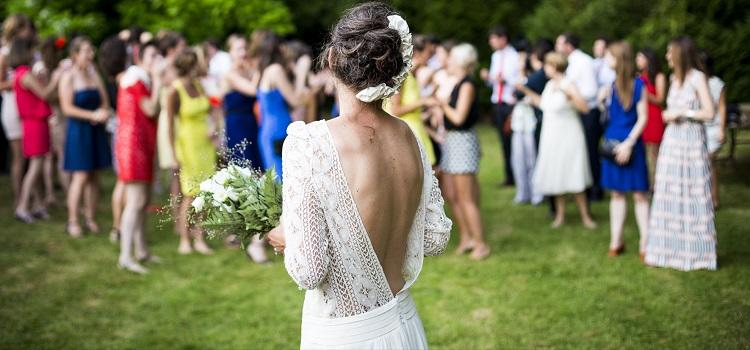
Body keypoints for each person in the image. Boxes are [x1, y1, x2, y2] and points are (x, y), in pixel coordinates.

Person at [266, 4, 451, 348]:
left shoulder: (309, 144)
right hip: (405, 326)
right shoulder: (409, 137)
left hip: (346, 335)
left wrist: (287, 234)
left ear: (333, 59)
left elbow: (309, 271)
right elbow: (435, 238)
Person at [645, 37, 717, 271]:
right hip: (672, 142)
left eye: (669, 52)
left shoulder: (697, 78)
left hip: (691, 141)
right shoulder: (673, 80)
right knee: (668, 192)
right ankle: (667, 250)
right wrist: (668, 115)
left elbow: (709, 112)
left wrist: (684, 113)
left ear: (679, 53)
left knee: (693, 193)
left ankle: (697, 253)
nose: (666, 56)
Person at [432, 43, 489, 260]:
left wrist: (443, 104)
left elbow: (458, 118)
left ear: (462, 63)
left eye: (453, 59)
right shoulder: (457, 83)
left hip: (463, 142)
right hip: (452, 142)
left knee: (466, 198)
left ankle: (481, 243)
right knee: (454, 195)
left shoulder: (467, 86)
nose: (449, 62)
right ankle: (467, 238)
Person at [530, 52, 596, 229]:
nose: (544, 68)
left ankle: (585, 216)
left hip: (569, 134)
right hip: (551, 134)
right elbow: (545, 105)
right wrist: (525, 92)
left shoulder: (568, 84)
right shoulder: (550, 84)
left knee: (574, 172)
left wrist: (569, 95)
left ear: (554, 66)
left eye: (547, 65)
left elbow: (584, 107)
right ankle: (560, 216)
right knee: (556, 173)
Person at [598, 42, 649, 258]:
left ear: (619, 60)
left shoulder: (639, 85)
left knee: (640, 195)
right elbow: (607, 115)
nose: (605, 60)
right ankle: (615, 241)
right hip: (612, 142)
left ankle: (646, 244)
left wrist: (628, 143)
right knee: (616, 194)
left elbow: (643, 117)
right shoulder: (609, 86)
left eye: (609, 56)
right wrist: (601, 102)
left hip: (631, 143)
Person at [115, 40, 162, 274]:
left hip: (141, 143)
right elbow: (151, 109)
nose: (157, 60)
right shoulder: (137, 78)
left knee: (142, 201)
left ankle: (141, 250)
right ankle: (125, 255)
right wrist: (161, 81)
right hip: (133, 145)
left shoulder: (139, 78)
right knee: (134, 201)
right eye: (152, 55)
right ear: (140, 58)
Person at [59, 37, 111, 237]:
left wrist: (103, 112)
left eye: (91, 51)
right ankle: (73, 220)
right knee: (80, 176)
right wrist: (92, 115)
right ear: (75, 54)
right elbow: (66, 108)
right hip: (79, 131)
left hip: (96, 130)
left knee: (94, 176)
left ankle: (90, 217)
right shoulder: (68, 77)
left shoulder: (94, 74)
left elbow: (105, 100)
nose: (91, 55)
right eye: (87, 51)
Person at [167, 48, 216, 255]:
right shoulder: (175, 90)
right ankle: (184, 238)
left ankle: (199, 236)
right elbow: (170, 125)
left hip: (204, 144)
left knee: (205, 193)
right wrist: (173, 153)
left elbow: (210, 109)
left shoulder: (199, 85)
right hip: (187, 145)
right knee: (189, 193)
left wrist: (213, 126)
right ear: (190, 66)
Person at [10, 38, 63, 222]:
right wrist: (55, 79)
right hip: (34, 123)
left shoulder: (21, 73)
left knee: (36, 165)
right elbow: (45, 93)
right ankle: (23, 206)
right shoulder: (25, 74)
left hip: (34, 122)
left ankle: (36, 205)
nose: (35, 53)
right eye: (33, 49)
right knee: (35, 166)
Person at [556, 32, 602, 201]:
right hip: (576, 112)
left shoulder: (583, 61)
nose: (557, 48)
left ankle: (595, 190)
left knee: (590, 151)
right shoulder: (571, 62)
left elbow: (591, 91)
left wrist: (571, 95)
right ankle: (583, 188)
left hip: (588, 112)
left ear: (568, 46)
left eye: (559, 44)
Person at [257, 32, 309, 180]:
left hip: (270, 129)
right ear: (280, 47)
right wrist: (301, 73)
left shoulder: (266, 70)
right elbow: (296, 101)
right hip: (278, 131)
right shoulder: (275, 70)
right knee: (283, 181)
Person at [384, 34, 436, 166]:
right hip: (407, 133)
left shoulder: (412, 75)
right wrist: (423, 102)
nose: (431, 57)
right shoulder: (401, 76)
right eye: (429, 53)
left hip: (417, 129)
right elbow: (395, 110)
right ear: (417, 52)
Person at [512, 39, 553, 205]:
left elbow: (519, 92)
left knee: (531, 158)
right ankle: (524, 192)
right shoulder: (533, 73)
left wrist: (522, 71)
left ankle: (536, 193)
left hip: (531, 121)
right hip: (521, 119)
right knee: (519, 157)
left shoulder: (538, 74)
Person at [1, 14, 35, 207]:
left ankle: (30, 196)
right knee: (18, 156)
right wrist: (18, 82)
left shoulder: (27, 52)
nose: (28, 32)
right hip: (12, 105)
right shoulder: (5, 53)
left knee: (32, 154)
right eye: (25, 28)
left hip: (28, 105)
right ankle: (18, 198)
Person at [481, 26, 519, 187]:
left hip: (510, 102)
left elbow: (515, 80)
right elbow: (493, 82)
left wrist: (501, 79)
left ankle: (517, 176)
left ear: (503, 38)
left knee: (512, 141)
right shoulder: (496, 56)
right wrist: (488, 78)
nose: (491, 42)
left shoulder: (515, 56)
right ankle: (509, 177)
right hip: (498, 101)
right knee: (503, 142)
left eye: (494, 39)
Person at [99, 35, 128, 242]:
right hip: (124, 130)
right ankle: (119, 225)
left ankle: (120, 225)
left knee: (123, 181)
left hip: (118, 129)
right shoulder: (123, 80)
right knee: (124, 180)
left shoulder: (108, 79)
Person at [221, 34, 263, 168]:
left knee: (257, 164)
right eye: (239, 49)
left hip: (252, 121)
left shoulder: (249, 71)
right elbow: (253, 90)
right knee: (244, 164)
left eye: (245, 48)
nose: (243, 53)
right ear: (230, 52)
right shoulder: (230, 74)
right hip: (236, 123)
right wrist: (259, 69)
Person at [699, 51, 726, 208]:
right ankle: (703, 197)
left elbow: (722, 108)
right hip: (699, 129)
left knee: (709, 163)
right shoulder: (695, 83)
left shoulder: (717, 84)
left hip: (713, 128)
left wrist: (722, 129)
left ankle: (714, 199)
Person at [636, 48, 666, 186]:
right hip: (642, 115)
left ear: (648, 59)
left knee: (655, 152)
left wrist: (644, 93)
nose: (637, 60)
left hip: (654, 116)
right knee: (644, 152)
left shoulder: (659, 76)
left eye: (640, 57)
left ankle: (658, 183)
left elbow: (660, 99)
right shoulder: (639, 76)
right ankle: (648, 182)